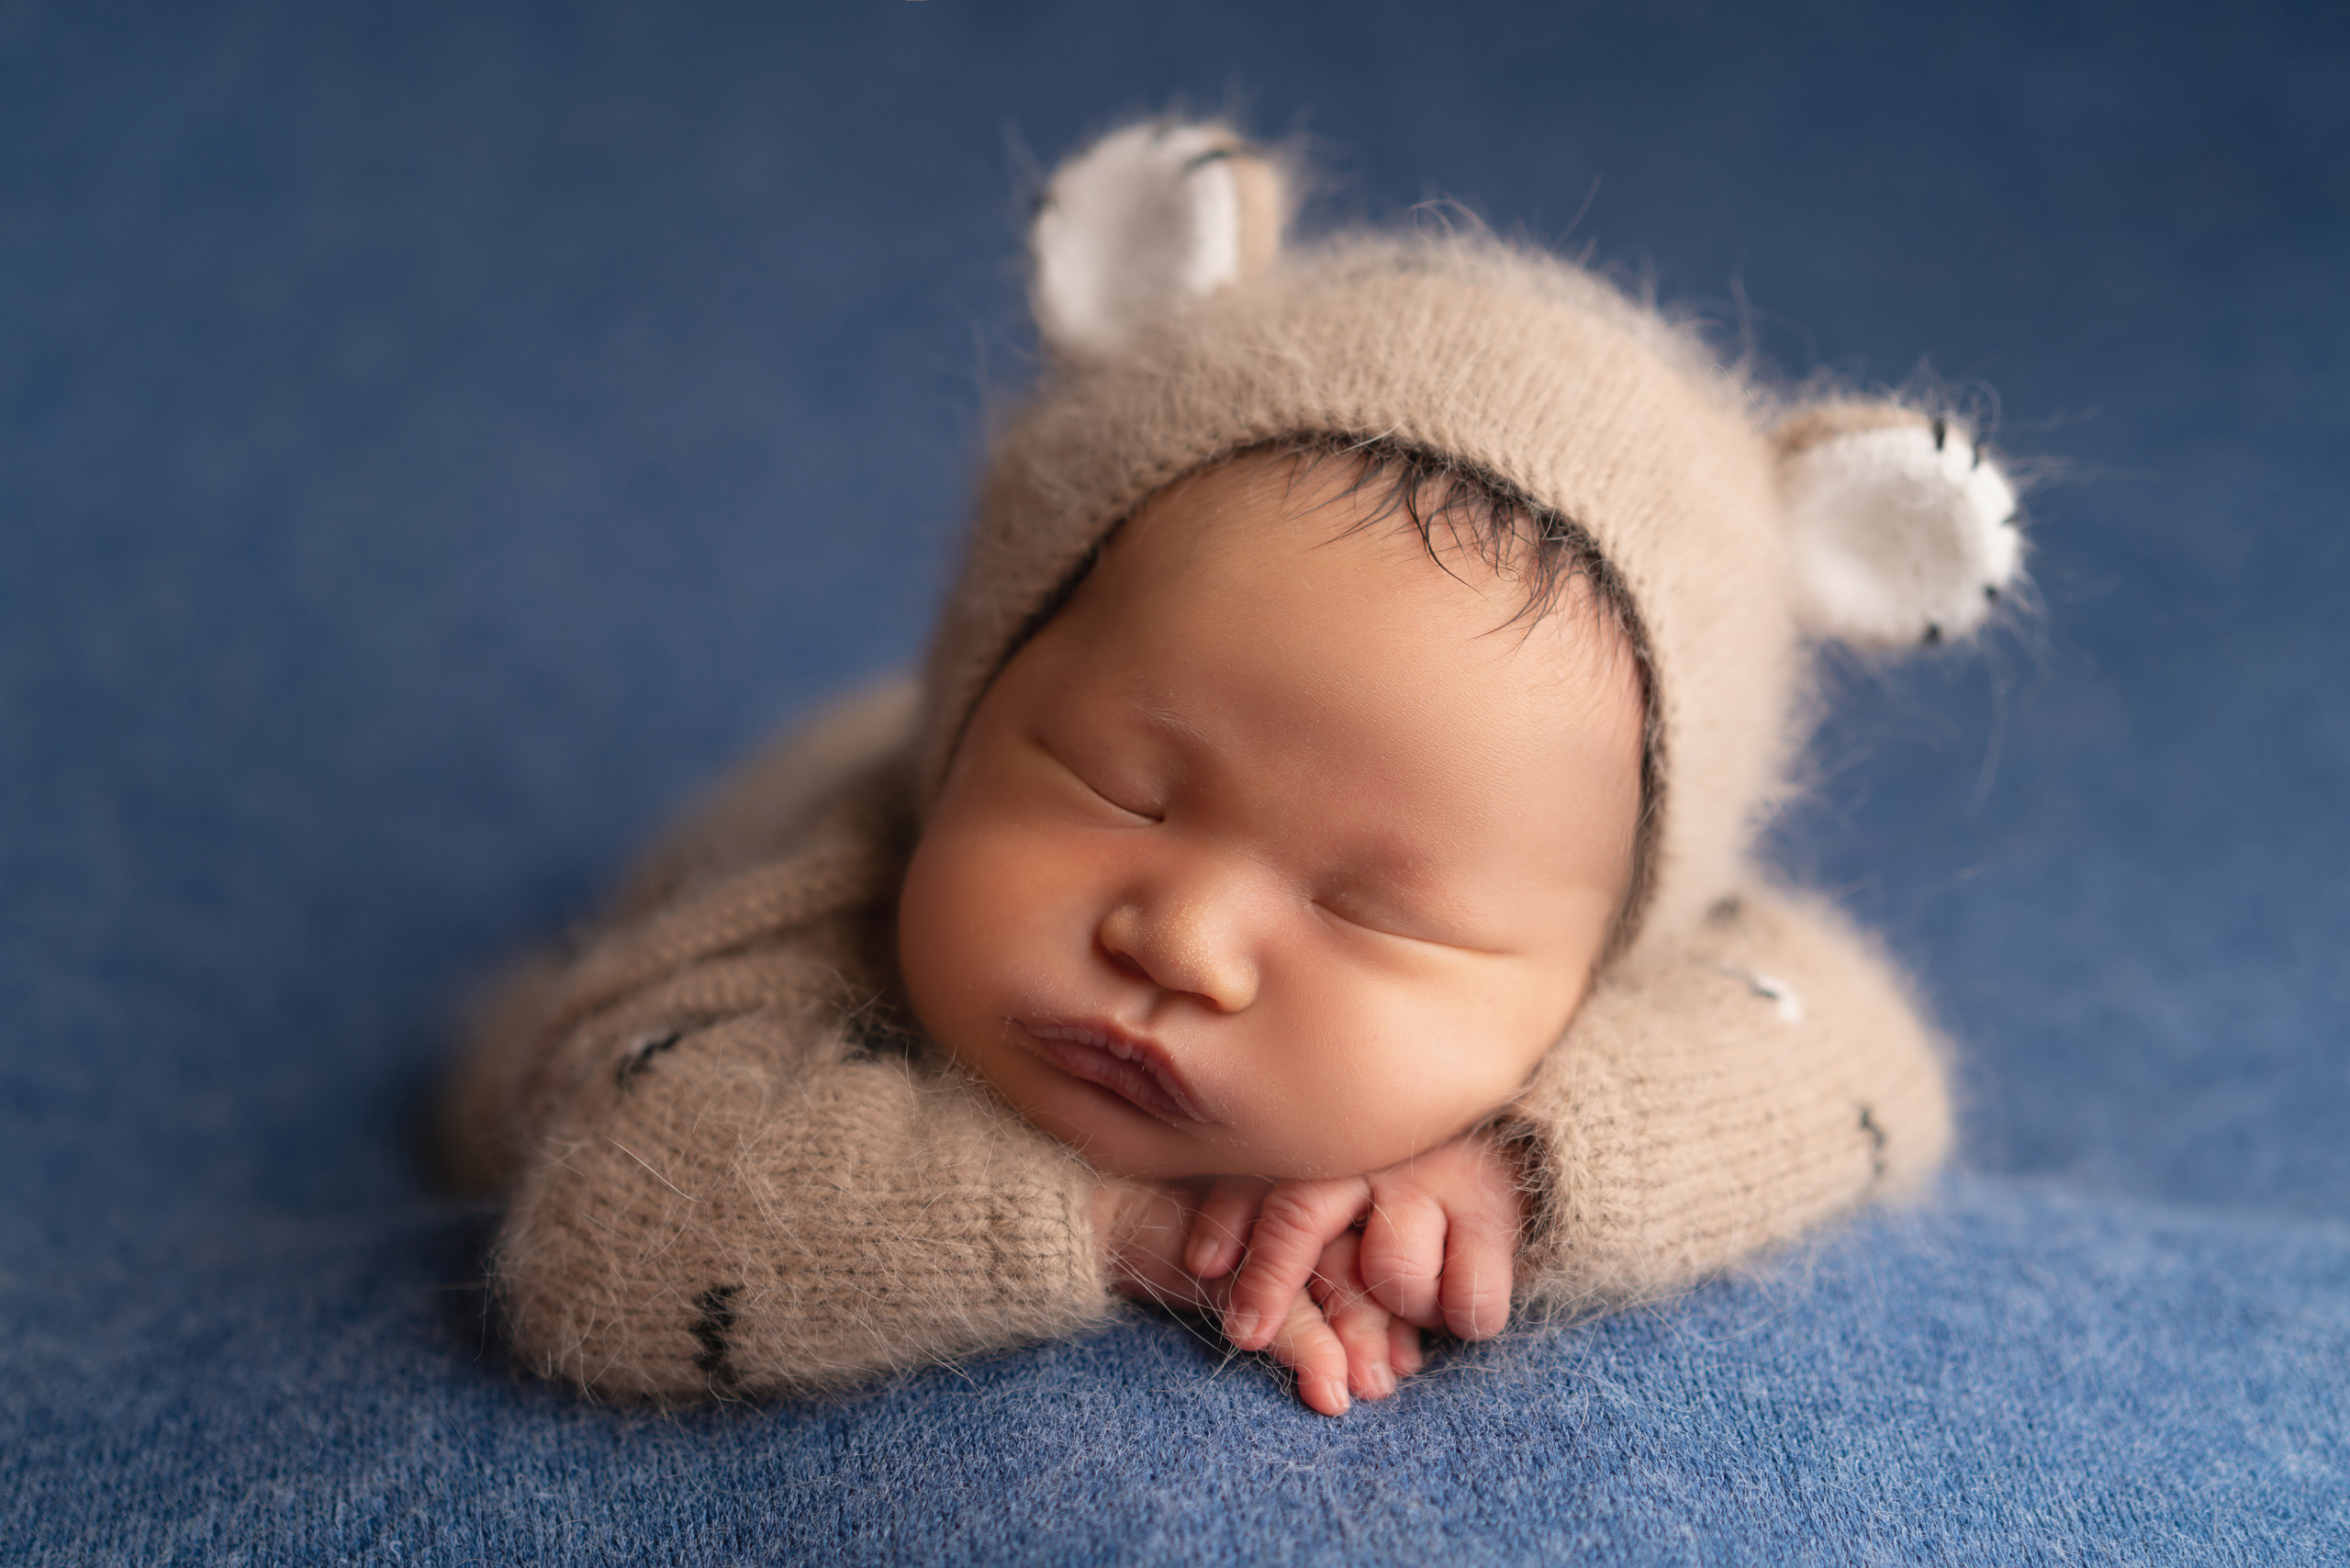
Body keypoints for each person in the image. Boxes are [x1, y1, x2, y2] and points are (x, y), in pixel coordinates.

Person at [441, 118, 2025, 1417]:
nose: (1181, 941)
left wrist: (1522, 1166)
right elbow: (600, 1227)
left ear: (1603, 959)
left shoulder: (1635, 962)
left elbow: (1862, 1061)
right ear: (980, 707)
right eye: (1117, 787)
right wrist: (1124, 1228)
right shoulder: (821, 897)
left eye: (1378, 907)